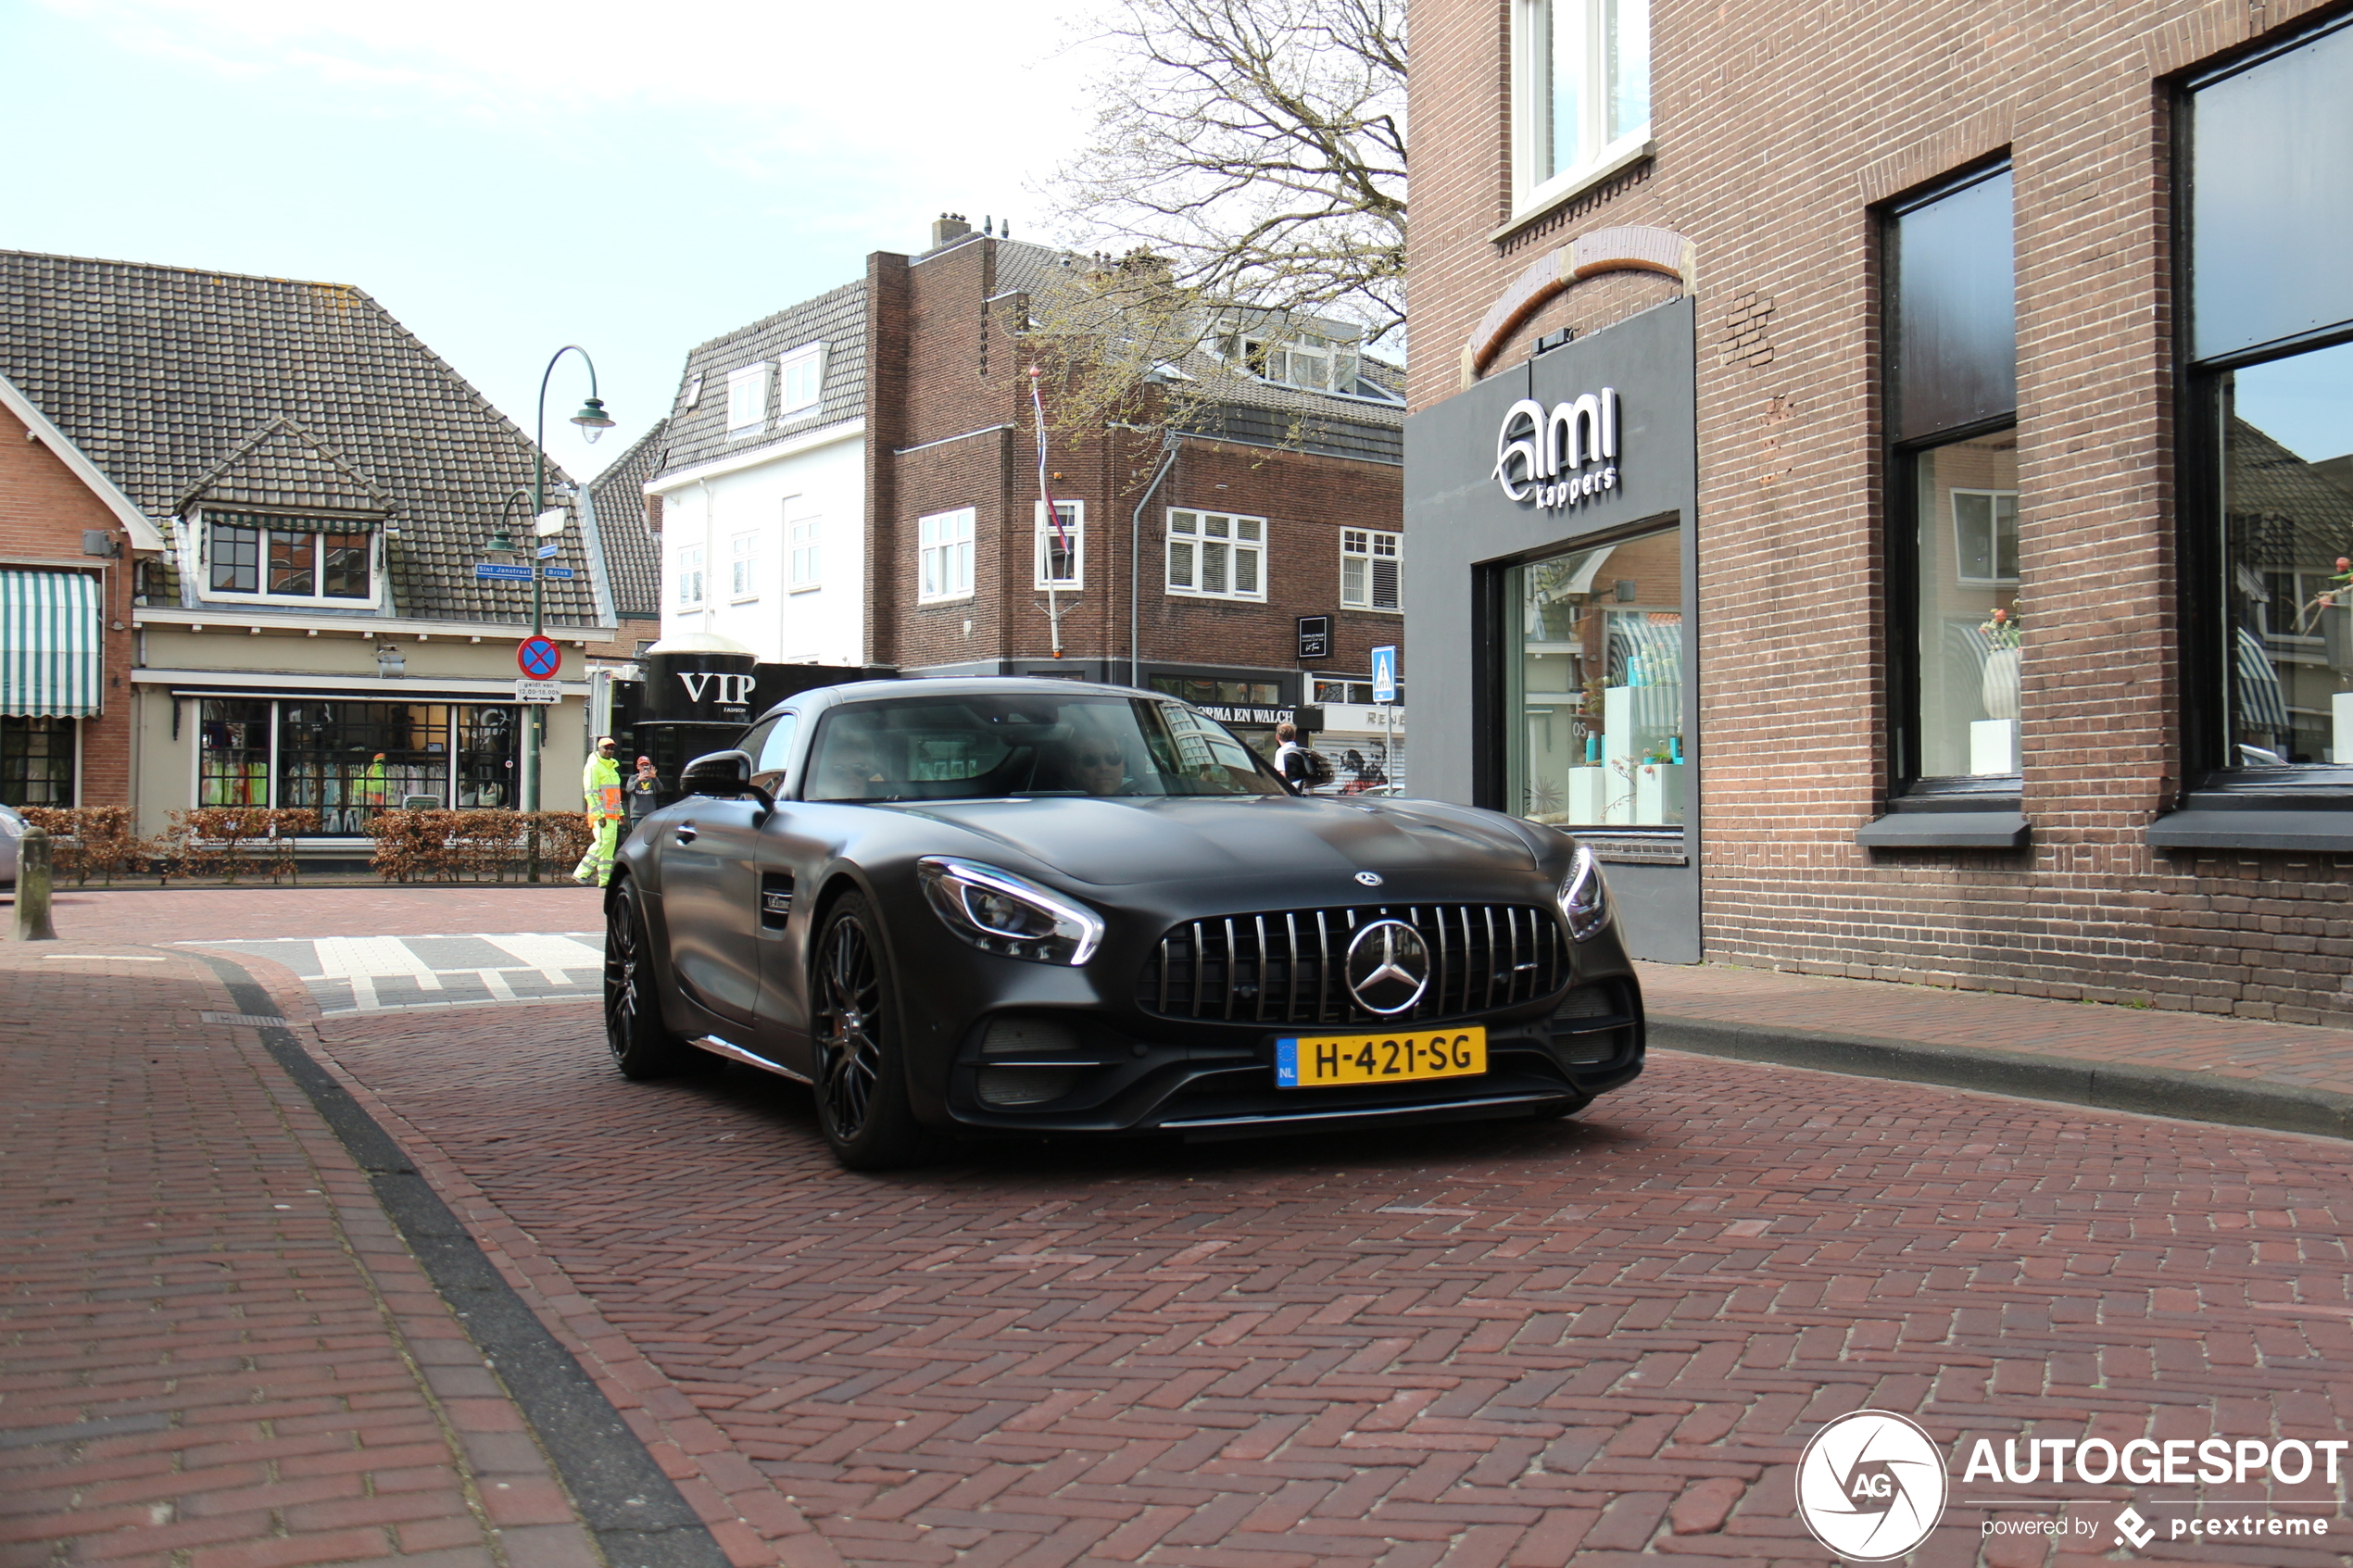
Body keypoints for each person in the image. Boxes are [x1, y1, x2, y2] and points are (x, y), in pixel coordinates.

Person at [573, 736, 624, 886]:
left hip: (612, 815)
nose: (609, 751)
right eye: (606, 748)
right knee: (602, 842)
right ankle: (581, 873)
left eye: (611, 749)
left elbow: (615, 794)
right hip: (602, 815)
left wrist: (620, 813)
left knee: (608, 849)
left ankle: (605, 880)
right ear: (599, 749)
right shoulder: (593, 767)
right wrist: (599, 815)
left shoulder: (611, 767)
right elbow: (590, 793)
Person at [1272, 721, 1312, 791]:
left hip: (1291, 791)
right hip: (1303, 790)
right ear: (1294, 737)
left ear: (1277, 737)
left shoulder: (1281, 752)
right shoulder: (1301, 751)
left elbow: (1282, 774)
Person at [625, 755, 661, 822]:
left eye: (646, 765)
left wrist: (655, 778)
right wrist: (638, 780)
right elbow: (628, 789)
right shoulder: (633, 778)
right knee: (637, 833)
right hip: (636, 814)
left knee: (650, 833)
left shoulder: (652, 779)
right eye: (642, 765)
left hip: (650, 813)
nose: (644, 767)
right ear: (638, 767)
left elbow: (660, 790)